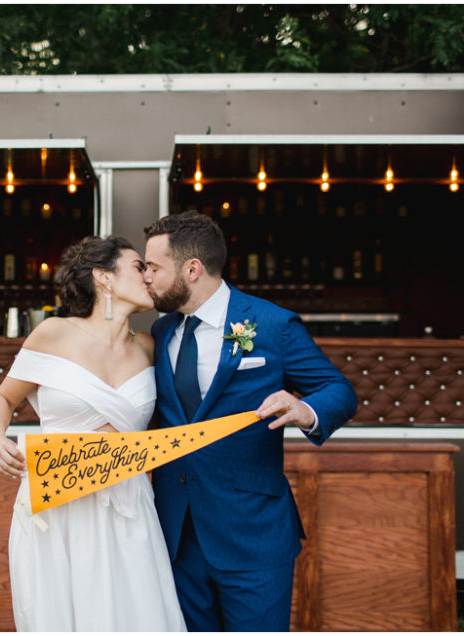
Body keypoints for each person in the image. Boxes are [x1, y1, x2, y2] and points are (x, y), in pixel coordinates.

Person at [143, 211, 357, 632]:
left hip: (252, 532)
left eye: (153, 268)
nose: (146, 277)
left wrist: (306, 410)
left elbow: (339, 390)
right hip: (176, 533)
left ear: (192, 269)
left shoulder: (272, 324)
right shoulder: (161, 330)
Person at [0, 235, 187, 632]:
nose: (147, 276)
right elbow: (2, 400)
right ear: (103, 278)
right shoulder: (53, 334)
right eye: (137, 267)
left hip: (129, 508)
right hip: (59, 507)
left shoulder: (151, 346)